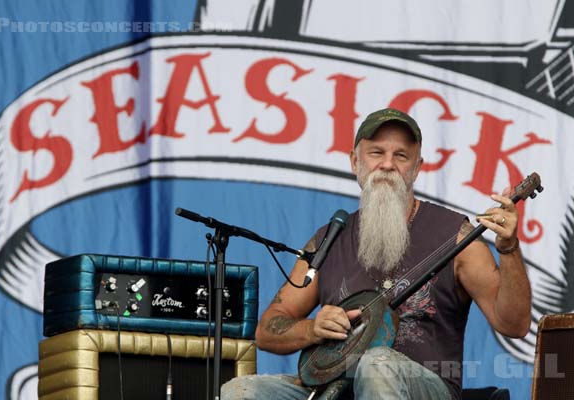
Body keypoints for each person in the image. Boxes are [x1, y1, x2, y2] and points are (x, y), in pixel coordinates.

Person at [221, 108, 532, 400]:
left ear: (417, 168)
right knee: (241, 391)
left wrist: (509, 249)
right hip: (335, 386)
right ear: (355, 161)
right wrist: (312, 328)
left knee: (376, 364)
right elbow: (267, 330)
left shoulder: (456, 236)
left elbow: (513, 324)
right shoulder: (329, 240)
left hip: (425, 387)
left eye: (401, 156)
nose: (387, 164)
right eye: (376, 153)